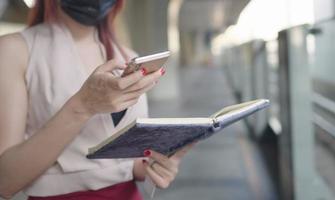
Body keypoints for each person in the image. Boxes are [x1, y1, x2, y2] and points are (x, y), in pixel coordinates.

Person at [0, 0, 195, 199]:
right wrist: (83, 106)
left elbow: (123, 165)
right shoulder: (15, 50)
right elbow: (5, 181)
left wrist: (153, 166)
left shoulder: (128, 56)